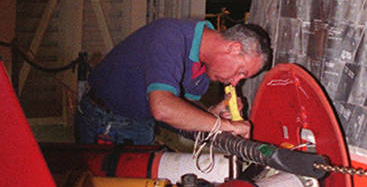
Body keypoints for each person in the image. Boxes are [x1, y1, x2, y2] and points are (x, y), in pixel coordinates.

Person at [75, 18, 272, 146]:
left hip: (141, 123)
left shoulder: (206, 67)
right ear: (234, 48)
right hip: (104, 119)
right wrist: (226, 126)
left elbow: (182, 106)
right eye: (240, 72)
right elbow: (163, 107)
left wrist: (213, 112)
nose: (235, 82)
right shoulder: (170, 36)